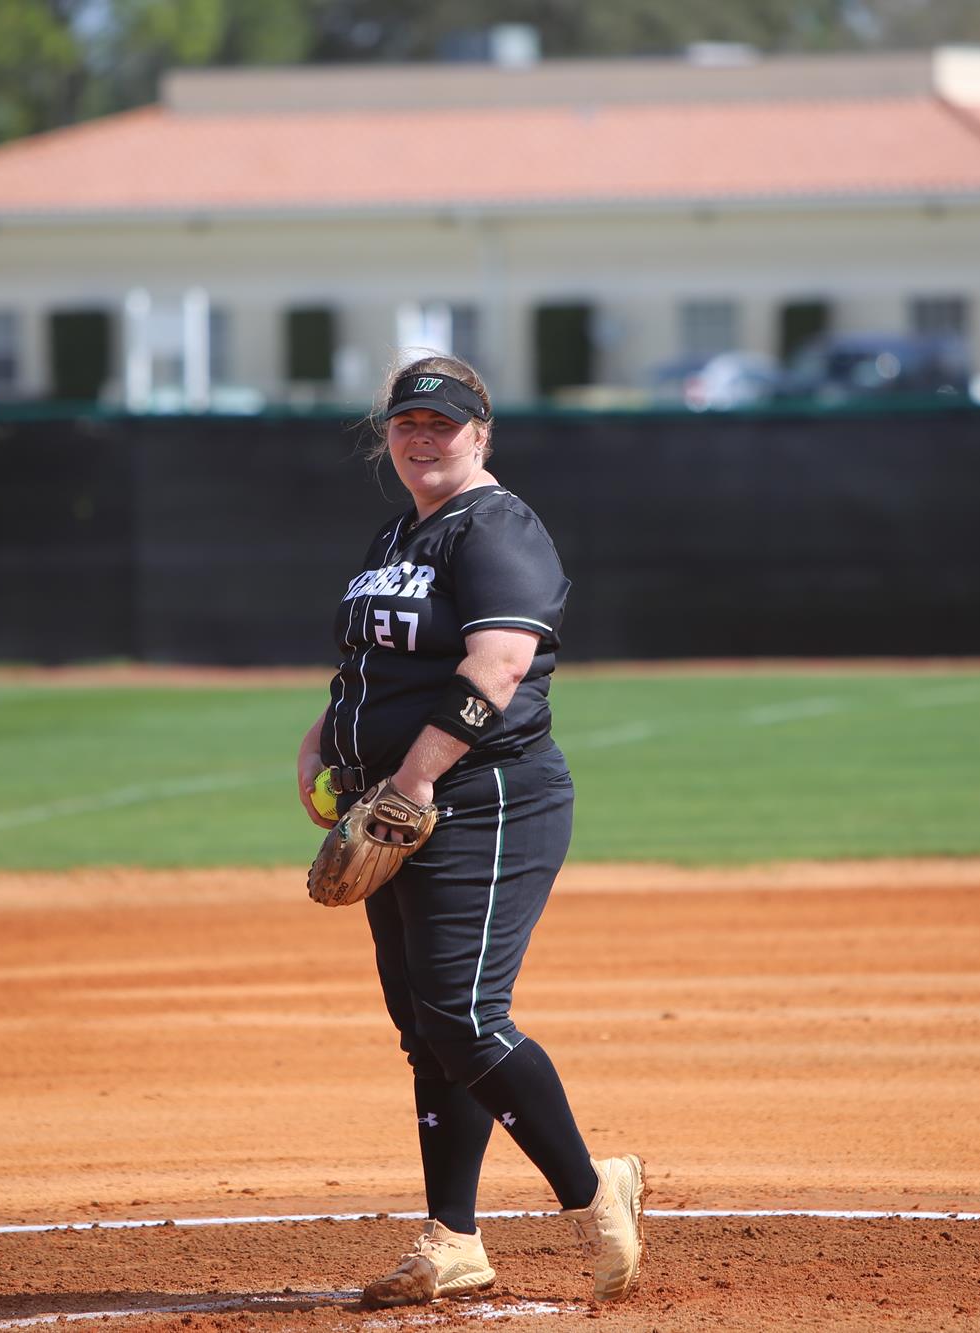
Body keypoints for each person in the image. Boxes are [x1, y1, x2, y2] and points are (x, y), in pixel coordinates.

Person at [293, 354, 644, 1308]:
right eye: (407, 423)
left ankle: (591, 1186)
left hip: (485, 800)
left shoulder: (497, 525)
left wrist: (407, 786)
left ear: (480, 434)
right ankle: (453, 1239)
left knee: (462, 1013)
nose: (421, 438)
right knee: (425, 1029)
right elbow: (372, 659)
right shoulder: (398, 531)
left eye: (442, 425)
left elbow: (496, 664)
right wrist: (325, 741)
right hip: (402, 803)